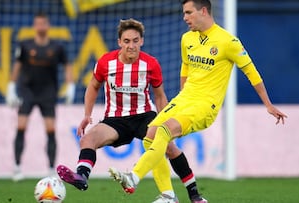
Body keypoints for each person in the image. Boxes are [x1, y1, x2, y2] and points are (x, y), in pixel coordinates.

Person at [109, 0, 288, 199]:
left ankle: (134, 176)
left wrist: (268, 104)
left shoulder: (228, 41)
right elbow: (185, 67)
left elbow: (251, 72)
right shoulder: (187, 38)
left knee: (164, 131)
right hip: (185, 99)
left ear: (203, 11)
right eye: (184, 13)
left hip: (205, 105)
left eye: (189, 12)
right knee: (149, 136)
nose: (185, 17)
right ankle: (168, 195)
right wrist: (182, 96)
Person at [56, 18, 207, 203]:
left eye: (135, 41)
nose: (131, 46)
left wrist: (166, 120)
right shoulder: (105, 62)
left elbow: (159, 96)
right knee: (88, 139)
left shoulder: (151, 64)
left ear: (142, 41)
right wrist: (87, 115)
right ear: (119, 42)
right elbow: (93, 86)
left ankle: (194, 195)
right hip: (115, 119)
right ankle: (81, 176)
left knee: (168, 147)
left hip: (144, 116)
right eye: (126, 41)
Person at [6, 12, 75, 182]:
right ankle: (17, 167)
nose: (41, 26)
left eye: (43, 23)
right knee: (21, 127)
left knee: (50, 130)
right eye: (38, 23)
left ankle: (51, 168)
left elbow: (67, 66)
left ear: (48, 25)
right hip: (27, 91)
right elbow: (17, 65)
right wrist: (11, 87)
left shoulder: (57, 47)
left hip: (48, 93)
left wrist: (70, 85)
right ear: (34, 26)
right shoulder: (25, 45)